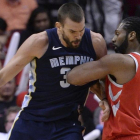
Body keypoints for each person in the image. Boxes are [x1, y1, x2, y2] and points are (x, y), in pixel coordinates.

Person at [0, 2, 109, 140]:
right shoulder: (39, 42)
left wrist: (104, 98)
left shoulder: (95, 42)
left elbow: (98, 81)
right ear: (59, 26)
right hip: (32, 120)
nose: (78, 36)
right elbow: (3, 76)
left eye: (81, 30)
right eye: (72, 32)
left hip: (67, 125)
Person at [67, 16, 140, 139]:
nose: (113, 39)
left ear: (131, 35)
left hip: (124, 136)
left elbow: (73, 77)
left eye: (118, 34)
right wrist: (104, 96)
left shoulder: (119, 61)